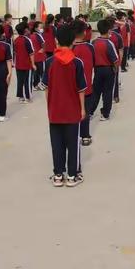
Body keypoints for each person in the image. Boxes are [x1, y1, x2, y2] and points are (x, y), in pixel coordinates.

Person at [42, 25, 87, 187]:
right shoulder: (76, 62)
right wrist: (82, 108)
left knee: (56, 143)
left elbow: (46, 88)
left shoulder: (49, 62)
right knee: (73, 143)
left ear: (56, 41)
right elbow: (81, 89)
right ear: (73, 41)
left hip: (54, 109)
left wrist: (50, 105)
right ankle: (72, 175)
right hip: (72, 109)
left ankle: (58, 175)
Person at [72, 20, 95, 145]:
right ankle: (85, 136)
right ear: (84, 32)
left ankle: (73, 135)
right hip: (86, 87)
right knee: (84, 111)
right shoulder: (90, 47)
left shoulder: (69, 49)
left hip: (71, 88)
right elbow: (94, 64)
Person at [91, 19, 119, 121]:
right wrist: (115, 70)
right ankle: (105, 113)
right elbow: (115, 60)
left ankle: (90, 111)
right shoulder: (109, 43)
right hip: (108, 70)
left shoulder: (93, 42)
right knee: (107, 92)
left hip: (97, 70)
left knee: (96, 92)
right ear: (109, 30)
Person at [14, 22, 35, 103]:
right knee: (27, 81)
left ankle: (21, 97)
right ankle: (28, 97)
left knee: (20, 81)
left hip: (18, 64)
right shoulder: (27, 40)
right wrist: (33, 64)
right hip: (27, 65)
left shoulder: (16, 40)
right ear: (25, 30)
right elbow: (31, 53)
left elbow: (15, 52)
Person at [108, 17, 124, 103]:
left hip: (105, 63)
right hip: (115, 61)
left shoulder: (102, 36)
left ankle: (107, 97)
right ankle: (116, 96)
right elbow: (121, 50)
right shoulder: (118, 36)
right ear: (114, 25)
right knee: (115, 79)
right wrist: (119, 62)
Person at [31, 21, 46, 90]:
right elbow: (44, 44)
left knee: (36, 72)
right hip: (40, 56)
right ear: (36, 28)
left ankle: (35, 85)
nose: (42, 28)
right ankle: (40, 84)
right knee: (41, 71)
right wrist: (43, 49)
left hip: (34, 56)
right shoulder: (39, 35)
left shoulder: (31, 35)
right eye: (40, 27)